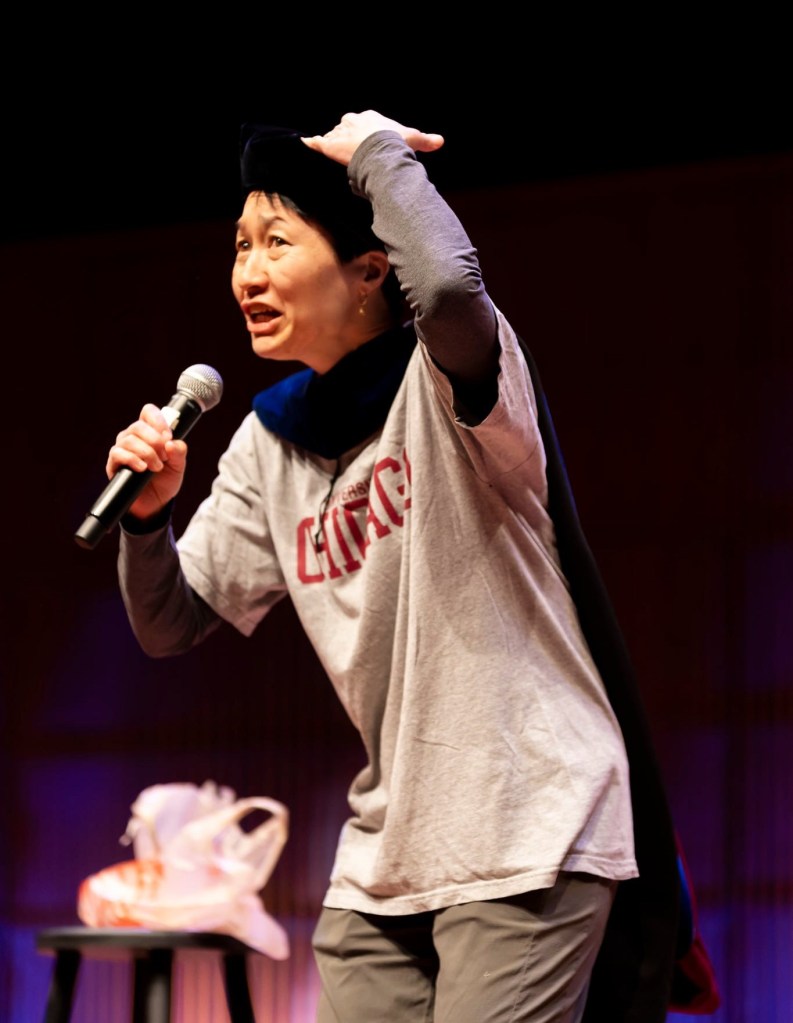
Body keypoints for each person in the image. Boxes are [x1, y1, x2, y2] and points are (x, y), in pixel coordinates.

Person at [105, 110, 690, 1022]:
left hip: (526, 820)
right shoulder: (269, 439)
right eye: (240, 245)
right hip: (387, 855)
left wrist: (377, 152)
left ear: (371, 269)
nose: (247, 273)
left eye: (277, 242)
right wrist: (147, 521)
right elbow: (170, 621)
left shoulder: (451, 376)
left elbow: (452, 289)